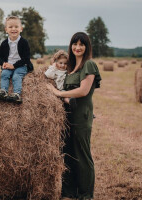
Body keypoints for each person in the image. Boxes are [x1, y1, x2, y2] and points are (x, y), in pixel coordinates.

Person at [47, 32, 101, 200]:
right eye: (75, 44)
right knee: (67, 153)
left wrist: (57, 92)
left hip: (81, 116)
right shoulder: (69, 67)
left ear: (87, 47)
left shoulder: (89, 65)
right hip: (66, 117)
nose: (77, 47)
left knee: (82, 154)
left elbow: (83, 91)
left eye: (81, 44)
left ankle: (85, 194)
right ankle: (69, 192)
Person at [0, 16, 33, 104]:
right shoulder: (4, 43)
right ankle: (3, 91)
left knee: (16, 76)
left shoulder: (24, 42)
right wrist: (3, 63)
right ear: (6, 30)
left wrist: (14, 66)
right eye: (10, 27)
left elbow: (26, 59)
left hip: (21, 65)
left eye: (16, 27)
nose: (13, 29)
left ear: (21, 29)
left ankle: (17, 94)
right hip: (8, 65)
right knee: (4, 74)